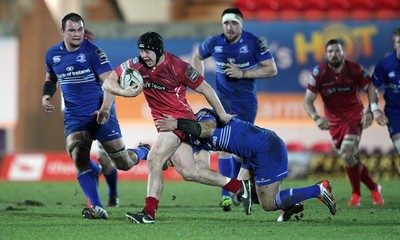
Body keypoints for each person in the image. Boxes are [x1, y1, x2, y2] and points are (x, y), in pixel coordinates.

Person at [102, 31, 252, 224]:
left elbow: (206, 88)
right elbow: (108, 82)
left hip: (179, 121)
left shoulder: (178, 66)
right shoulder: (135, 65)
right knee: (190, 172)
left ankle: (148, 213)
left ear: (157, 50)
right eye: (141, 51)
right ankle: (239, 187)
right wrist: (124, 92)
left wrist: (222, 114)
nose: (144, 55)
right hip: (164, 125)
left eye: (147, 51)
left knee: (155, 159)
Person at [41, 12, 150, 219]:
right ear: (62, 31)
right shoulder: (52, 55)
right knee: (78, 156)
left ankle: (144, 151)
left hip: (100, 112)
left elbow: (110, 83)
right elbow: (51, 78)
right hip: (74, 116)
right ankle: (98, 207)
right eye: (72, 30)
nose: (77, 34)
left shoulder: (93, 52)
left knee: (123, 163)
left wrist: (106, 110)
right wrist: (46, 94)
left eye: (80, 29)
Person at [155, 108, 337, 221]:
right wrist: (171, 159)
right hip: (251, 155)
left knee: (268, 203)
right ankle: (291, 204)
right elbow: (199, 168)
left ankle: (318, 189)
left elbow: (208, 128)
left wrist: (177, 124)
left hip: (266, 147)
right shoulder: (194, 145)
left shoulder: (203, 115)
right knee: (239, 195)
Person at [191, 7, 278, 211]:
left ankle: (243, 187)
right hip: (222, 102)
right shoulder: (214, 42)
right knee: (222, 147)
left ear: (241, 25)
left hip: (246, 103)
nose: (229, 27)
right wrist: (199, 80)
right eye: (226, 23)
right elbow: (196, 57)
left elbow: (272, 69)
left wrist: (243, 73)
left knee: (241, 150)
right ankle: (227, 195)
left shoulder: (254, 42)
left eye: (234, 23)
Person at [303, 39, 384, 207]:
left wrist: (370, 111)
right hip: (334, 122)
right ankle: (374, 188)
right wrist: (317, 118)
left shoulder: (355, 69)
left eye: (338, 50)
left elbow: (371, 88)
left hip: (354, 116)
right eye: (331, 51)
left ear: (344, 53)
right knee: (351, 158)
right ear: (326, 54)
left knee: (348, 154)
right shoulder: (319, 73)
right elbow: (307, 102)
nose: (334, 54)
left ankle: (356, 195)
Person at [368, 29, 400, 163]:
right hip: (395, 113)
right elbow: (372, 87)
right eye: (399, 42)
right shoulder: (385, 65)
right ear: (394, 44)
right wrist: (375, 110)